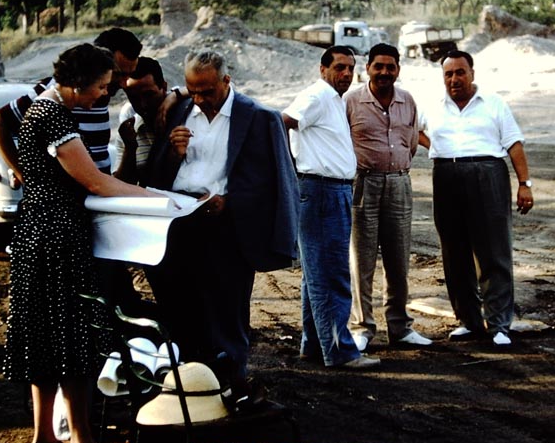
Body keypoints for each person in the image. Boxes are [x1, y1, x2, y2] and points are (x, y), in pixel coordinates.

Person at [2, 43, 158, 443]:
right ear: (75, 84)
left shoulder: (40, 109)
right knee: (72, 339)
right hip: (57, 238)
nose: (104, 96)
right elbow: (95, 182)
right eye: (101, 87)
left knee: (43, 339)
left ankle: (45, 440)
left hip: (37, 234)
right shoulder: (54, 116)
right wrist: (158, 198)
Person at [145, 49, 299, 401]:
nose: (199, 99)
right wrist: (173, 153)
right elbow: (158, 174)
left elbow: (274, 180)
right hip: (181, 225)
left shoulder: (259, 118)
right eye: (192, 90)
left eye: (207, 91)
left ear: (227, 81)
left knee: (227, 312)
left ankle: (232, 389)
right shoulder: (181, 111)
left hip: (229, 228)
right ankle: (191, 388)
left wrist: (228, 203)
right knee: (182, 309)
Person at [0, 28, 153, 319]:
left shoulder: (90, 96)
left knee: (108, 299)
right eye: (116, 75)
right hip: (64, 219)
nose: (121, 84)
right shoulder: (52, 104)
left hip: (91, 210)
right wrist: (26, 173)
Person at [418, 49, 534, 347]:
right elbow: (413, 130)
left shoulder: (493, 104)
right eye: (448, 74)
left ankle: (498, 324)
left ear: (472, 73)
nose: (454, 79)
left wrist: (525, 183)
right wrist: (437, 148)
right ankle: (469, 320)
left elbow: (514, 144)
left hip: (488, 174)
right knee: (454, 253)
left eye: (460, 72)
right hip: (446, 176)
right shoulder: (433, 106)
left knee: (493, 252)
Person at [282, 46, 380, 369]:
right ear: (323, 69)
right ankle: (340, 352)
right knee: (331, 273)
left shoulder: (333, 99)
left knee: (316, 274)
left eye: (351, 68)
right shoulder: (318, 95)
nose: (346, 74)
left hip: (329, 190)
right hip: (321, 189)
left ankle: (313, 345)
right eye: (339, 67)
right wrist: (287, 167)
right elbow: (284, 121)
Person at [344, 43, 433, 351]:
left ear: (398, 69)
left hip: (399, 184)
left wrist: (395, 170)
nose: (384, 72)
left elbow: (410, 142)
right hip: (363, 184)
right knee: (362, 259)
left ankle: (400, 327)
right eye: (378, 66)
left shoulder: (407, 100)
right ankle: (362, 327)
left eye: (390, 67)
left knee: (398, 259)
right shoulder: (350, 101)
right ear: (367, 68)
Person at [113, 56, 188, 187]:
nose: (143, 104)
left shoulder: (187, 111)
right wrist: (130, 149)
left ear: (164, 87)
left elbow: (223, 89)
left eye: (149, 95)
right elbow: (122, 186)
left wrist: (176, 95)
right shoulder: (130, 131)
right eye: (134, 97)